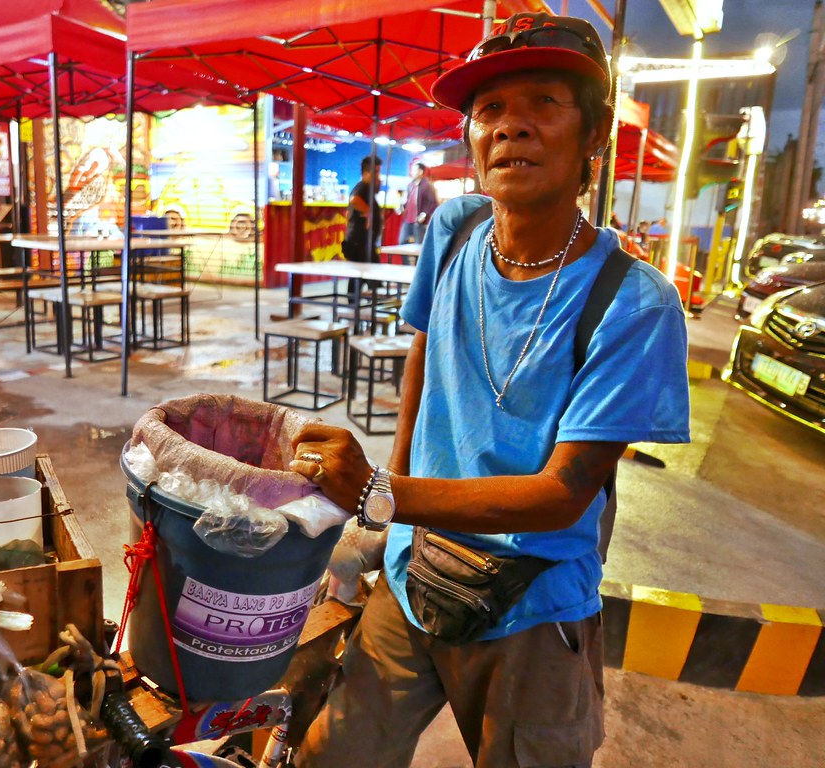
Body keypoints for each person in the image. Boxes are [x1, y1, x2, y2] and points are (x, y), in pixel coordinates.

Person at [289, 11, 690, 768]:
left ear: (593, 137)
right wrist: (387, 515)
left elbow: (562, 494)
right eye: (490, 111)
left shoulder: (633, 302)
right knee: (330, 755)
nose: (512, 129)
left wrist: (381, 493)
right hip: (413, 574)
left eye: (543, 103)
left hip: (532, 610)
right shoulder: (455, 229)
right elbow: (423, 358)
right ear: (471, 139)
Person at [340, 154, 383, 303]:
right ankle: (361, 306)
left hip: (363, 241)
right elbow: (355, 200)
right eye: (376, 172)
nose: (378, 176)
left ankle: (356, 305)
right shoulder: (362, 187)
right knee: (369, 275)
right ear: (366, 173)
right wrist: (368, 212)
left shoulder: (368, 188)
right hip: (359, 241)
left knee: (361, 276)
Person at [399, 161, 439, 244]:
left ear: (421, 171)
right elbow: (408, 200)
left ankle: (417, 257)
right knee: (402, 241)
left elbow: (433, 203)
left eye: (414, 170)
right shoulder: (410, 185)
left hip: (419, 220)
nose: (412, 172)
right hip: (408, 219)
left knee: (419, 244)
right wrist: (402, 207)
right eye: (412, 170)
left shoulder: (427, 186)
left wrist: (424, 214)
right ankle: (408, 257)